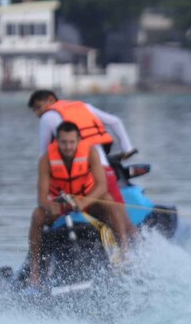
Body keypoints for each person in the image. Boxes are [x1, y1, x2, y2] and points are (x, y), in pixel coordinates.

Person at [27, 122, 131, 287]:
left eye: (71, 142)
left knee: (110, 201)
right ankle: (35, 270)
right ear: (56, 142)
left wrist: (84, 201)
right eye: (63, 142)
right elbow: (42, 197)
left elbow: (101, 185)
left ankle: (124, 253)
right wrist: (48, 206)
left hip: (87, 202)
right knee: (37, 214)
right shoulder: (46, 160)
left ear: (78, 140)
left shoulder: (91, 152)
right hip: (61, 206)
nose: (67, 147)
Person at [28, 89, 137, 241]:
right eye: (35, 110)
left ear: (51, 100)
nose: (38, 113)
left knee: (43, 214)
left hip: (79, 173)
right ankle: (134, 253)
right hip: (104, 167)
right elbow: (115, 121)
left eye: (38, 107)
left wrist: (44, 178)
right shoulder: (84, 106)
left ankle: (38, 261)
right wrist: (127, 149)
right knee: (121, 217)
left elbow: (44, 152)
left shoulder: (47, 117)